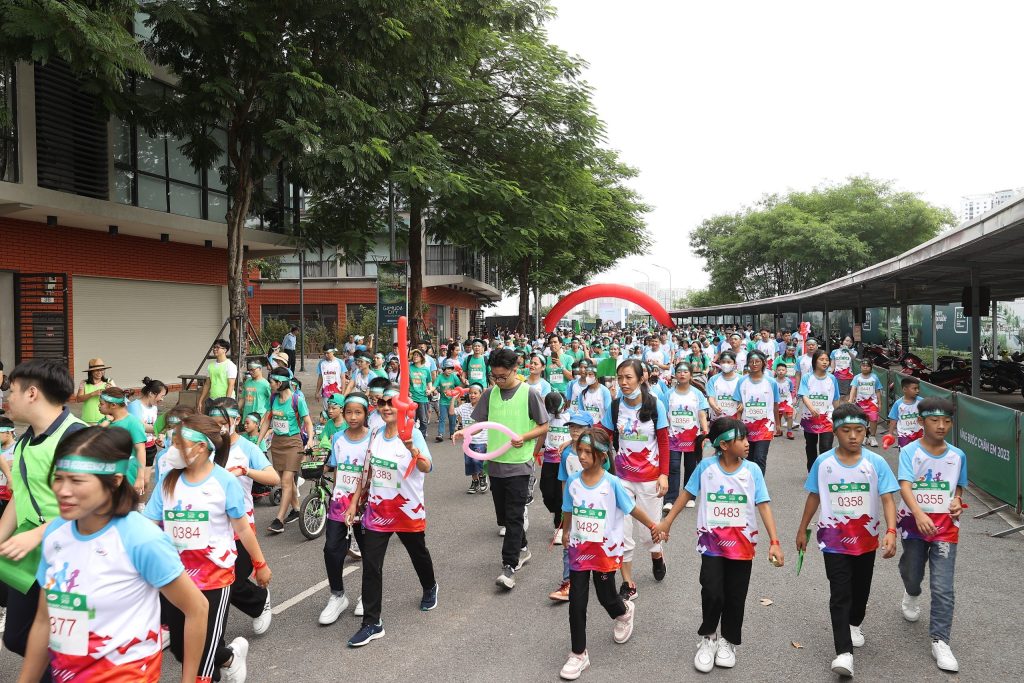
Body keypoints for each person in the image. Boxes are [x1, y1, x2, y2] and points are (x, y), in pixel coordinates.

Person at [18, 427, 209, 683]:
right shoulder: (55, 535)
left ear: (115, 480)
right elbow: (44, 620)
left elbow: (197, 608)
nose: (62, 490)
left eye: (77, 481)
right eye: (59, 478)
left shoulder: (141, 538)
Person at [144, 414, 272, 683]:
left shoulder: (224, 482)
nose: (172, 449)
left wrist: (260, 564)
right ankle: (229, 657)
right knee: (181, 648)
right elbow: (149, 525)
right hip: (176, 578)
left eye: (179, 444)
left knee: (202, 663)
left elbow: (242, 529)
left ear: (201, 446)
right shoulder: (168, 482)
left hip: (214, 578)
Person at [654, 417, 784, 673]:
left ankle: (728, 641)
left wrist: (774, 541)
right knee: (712, 591)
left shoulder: (752, 471)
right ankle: (709, 637)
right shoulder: (706, 467)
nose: (747, 443)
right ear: (724, 445)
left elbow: (763, 505)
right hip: (711, 544)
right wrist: (667, 521)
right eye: (741, 439)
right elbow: (687, 493)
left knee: (736, 595)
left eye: (747, 438)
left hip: (742, 546)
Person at [795, 403, 899, 678]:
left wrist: (891, 531)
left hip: (866, 540)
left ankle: (855, 622)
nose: (853, 436)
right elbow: (814, 496)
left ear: (866, 431)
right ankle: (843, 653)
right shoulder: (823, 463)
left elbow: (888, 498)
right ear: (834, 431)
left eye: (859, 430)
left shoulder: (876, 463)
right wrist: (802, 529)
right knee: (840, 592)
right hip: (834, 540)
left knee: (861, 589)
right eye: (846, 430)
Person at [0, 360, 86, 675]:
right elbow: (21, 497)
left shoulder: (78, 438)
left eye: (11, 391)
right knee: (18, 636)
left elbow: (90, 506)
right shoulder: (25, 441)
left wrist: (37, 534)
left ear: (32, 393)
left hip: (75, 556)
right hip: (35, 553)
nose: (7, 398)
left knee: (70, 643)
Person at [558, 428, 657, 681]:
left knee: (606, 597)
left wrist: (653, 526)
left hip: (605, 552)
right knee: (577, 602)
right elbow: (568, 508)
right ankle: (578, 654)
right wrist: (566, 531)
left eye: (587, 452)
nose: (581, 456)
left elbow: (632, 508)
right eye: (580, 451)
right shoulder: (573, 482)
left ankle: (623, 611)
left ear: (602, 456)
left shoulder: (612, 483)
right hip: (579, 551)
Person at [344, 385, 437, 647]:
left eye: (391, 402)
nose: (386, 407)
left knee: (418, 553)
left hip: (407, 510)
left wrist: (412, 449)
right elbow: (367, 473)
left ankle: (430, 586)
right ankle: (372, 623)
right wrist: (354, 503)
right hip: (378, 512)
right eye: (382, 402)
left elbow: (427, 467)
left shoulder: (413, 434)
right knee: (371, 565)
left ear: (403, 406)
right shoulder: (375, 434)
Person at [454, 348, 549, 590]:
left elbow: (543, 426)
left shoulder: (529, 393)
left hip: (519, 463)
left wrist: (523, 437)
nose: (498, 381)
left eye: (502, 376)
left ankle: (509, 567)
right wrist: (464, 432)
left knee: (514, 516)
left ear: (515, 370)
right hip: (495, 463)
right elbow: (480, 423)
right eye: (494, 376)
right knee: (504, 516)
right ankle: (523, 547)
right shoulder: (489, 393)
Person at [895, 397, 967, 673]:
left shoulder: (957, 455)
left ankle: (940, 640)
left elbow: (958, 487)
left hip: (945, 527)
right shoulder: (909, 452)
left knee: (943, 586)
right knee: (913, 572)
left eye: (947, 421)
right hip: (914, 524)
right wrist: (919, 514)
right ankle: (911, 592)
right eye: (934, 420)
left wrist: (957, 500)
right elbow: (905, 485)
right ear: (920, 422)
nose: (941, 426)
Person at [208, 398, 278, 636]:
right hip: (211, 526)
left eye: (223, 422)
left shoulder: (248, 448)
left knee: (234, 580)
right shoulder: (205, 447)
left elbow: (273, 478)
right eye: (213, 423)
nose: (218, 428)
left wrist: (246, 471)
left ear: (236, 420)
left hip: (241, 526)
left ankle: (259, 600)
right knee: (210, 579)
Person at [602, 359, 669, 601]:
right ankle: (628, 582)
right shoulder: (615, 406)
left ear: (641, 379)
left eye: (628, 377)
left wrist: (664, 474)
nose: (623, 382)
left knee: (648, 531)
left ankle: (656, 555)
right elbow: (603, 435)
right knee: (622, 531)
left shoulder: (655, 405)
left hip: (650, 478)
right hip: (622, 478)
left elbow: (664, 441)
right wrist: (578, 441)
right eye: (620, 377)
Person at [319, 392, 373, 625]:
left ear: (366, 414)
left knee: (369, 552)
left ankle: (367, 595)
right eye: (349, 412)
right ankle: (337, 595)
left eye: (358, 412)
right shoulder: (338, 438)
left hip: (366, 505)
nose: (352, 417)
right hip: (339, 504)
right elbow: (337, 468)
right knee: (331, 549)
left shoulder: (373, 439)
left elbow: (372, 474)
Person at [259, 367, 314, 534]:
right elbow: (267, 420)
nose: (270, 384)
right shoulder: (273, 398)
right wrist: (258, 441)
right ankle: (297, 510)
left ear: (280, 383)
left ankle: (279, 520)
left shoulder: (297, 400)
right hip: (277, 444)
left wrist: (310, 440)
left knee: (285, 482)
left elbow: (308, 422)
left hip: (293, 444)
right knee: (287, 482)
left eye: (272, 382)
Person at [666, 362, 709, 513]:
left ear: (690, 374)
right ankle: (670, 499)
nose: (682, 374)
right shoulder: (668, 394)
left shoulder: (697, 394)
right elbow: (664, 415)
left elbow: (702, 414)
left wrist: (705, 432)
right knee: (673, 467)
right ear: (675, 374)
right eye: (679, 371)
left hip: (693, 437)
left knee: (691, 466)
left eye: (685, 371)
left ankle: (689, 496)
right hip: (673, 437)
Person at [732, 351, 780, 474]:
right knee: (747, 458)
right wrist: (738, 424)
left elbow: (775, 404)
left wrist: (778, 424)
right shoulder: (741, 381)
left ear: (763, 363)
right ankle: (748, 482)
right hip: (746, 426)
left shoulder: (771, 382)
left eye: (757, 361)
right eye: (751, 361)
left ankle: (758, 484)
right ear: (747, 363)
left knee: (760, 457)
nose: (754, 364)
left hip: (765, 426)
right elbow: (738, 404)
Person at [97, 387, 148, 495]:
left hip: (127, 475)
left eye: (101, 403)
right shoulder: (105, 421)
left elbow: (141, 450)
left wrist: (140, 478)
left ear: (113, 405)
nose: (98, 406)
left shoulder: (133, 423)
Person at [798, 349, 841, 471]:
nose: (825, 362)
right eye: (821, 359)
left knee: (826, 447)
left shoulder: (832, 379)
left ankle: (824, 472)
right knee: (811, 446)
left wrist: (838, 418)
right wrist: (812, 409)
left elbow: (835, 399)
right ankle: (812, 472)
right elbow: (804, 395)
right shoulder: (807, 377)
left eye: (827, 360)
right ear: (815, 361)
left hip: (827, 418)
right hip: (809, 417)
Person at [538, 392, 571, 544]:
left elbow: (580, 433)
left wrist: (569, 443)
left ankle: (560, 527)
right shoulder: (546, 417)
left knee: (560, 495)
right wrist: (534, 453)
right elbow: (542, 436)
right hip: (549, 461)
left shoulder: (570, 417)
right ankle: (556, 511)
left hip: (564, 462)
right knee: (546, 491)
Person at [127, 377, 168, 469]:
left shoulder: (154, 407)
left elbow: (153, 426)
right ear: (151, 394)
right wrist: (162, 429)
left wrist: (158, 437)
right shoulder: (135, 406)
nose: (162, 399)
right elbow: (141, 426)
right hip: (136, 448)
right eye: (162, 396)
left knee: (145, 478)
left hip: (150, 447)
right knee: (137, 477)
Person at [454, 385, 488, 494]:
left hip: (481, 441)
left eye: (475, 393)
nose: (472, 395)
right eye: (470, 393)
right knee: (469, 463)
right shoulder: (464, 407)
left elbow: (481, 426)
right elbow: (451, 412)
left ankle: (482, 477)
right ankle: (475, 482)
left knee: (477, 461)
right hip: (468, 441)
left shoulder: (484, 408)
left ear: (480, 394)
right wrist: (453, 399)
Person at [849, 359, 883, 446]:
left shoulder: (874, 378)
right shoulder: (857, 378)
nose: (865, 367)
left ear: (871, 367)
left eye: (867, 366)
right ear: (860, 367)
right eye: (863, 366)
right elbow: (853, 389)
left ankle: (872, 437)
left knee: (873, 419)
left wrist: (880, 403)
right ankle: (863, 436)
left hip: (872, 403)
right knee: (861, 420)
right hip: (860, 403)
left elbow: (878, 391)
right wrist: (850, 399)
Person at [199, 339, 238, 408]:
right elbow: (207, 384)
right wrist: (200, 400)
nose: (214, 349)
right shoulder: (210, 365)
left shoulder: (230, 365)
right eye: (214, 347)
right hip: (212, 399)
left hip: (225, 400)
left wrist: (226, 402)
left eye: (217, 347)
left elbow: (231, 385)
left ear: (224, 350)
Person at [75, 358, 115, 425]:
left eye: (102, 370)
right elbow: (78, 399)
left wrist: (111, 391)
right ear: (91, 371)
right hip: (88, 419)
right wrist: (92, 394)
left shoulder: (109, 382)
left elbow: (118, 399)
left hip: (105, 420)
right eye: (96, 370)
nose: (99, 372)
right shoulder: (83, 383)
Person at [887, 376, 923, 448]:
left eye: (918, 388)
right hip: (903, 435)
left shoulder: (922, 402)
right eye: (914, 388)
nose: (917, 391)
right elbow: (893, 419)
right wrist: (890, 433)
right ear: (904, 389)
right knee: (904, 452)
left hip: (919, 433)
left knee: (918, 453)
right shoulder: (898, 403)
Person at [706, 351, 742, 421]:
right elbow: (710, 397)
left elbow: (744, 398)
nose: (726, 364)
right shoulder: (713, 379)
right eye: (723, 362)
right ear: (719, 363)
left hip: (735, 420)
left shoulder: (741, 380)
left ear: (734, 363)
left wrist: (742, 405)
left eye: (729, 362)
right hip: (717, 419)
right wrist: (714, 406)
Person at [435, 359, 462, 443]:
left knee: (452, 420)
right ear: (444, 369)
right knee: (442, 418)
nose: (449, 370)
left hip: (452, 402)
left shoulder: (454, 376)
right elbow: (434, 385)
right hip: (443, 401)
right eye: (447, 368)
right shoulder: (440, 377)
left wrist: (456, 394)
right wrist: (433, 390)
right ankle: (440, 434)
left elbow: (459, 386)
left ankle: (452, 433)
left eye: (451, 368)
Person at [772, 361, 796, 440]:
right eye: (779, 370)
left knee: (790, 416)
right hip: (777, 402)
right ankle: (778, 430)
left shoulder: (789, 381)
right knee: (778, 417)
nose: (781, 372)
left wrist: (793, 399)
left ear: (786, 371)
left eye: (783, 370)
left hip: (787, 402)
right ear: (776, 371)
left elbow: (792, 390)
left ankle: (789, 431)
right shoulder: (773, 381)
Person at [830, 336, 857, 401]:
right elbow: (832, 366)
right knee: (837, 396)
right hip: (837, 377)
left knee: (846, 397)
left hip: (848, 377)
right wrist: (830, 374)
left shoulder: (853, 352)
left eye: (851, 342)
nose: (848, 343)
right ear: (842, 341)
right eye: (847, 341)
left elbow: (853, 358)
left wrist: (848, 351)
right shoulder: (834, 352)